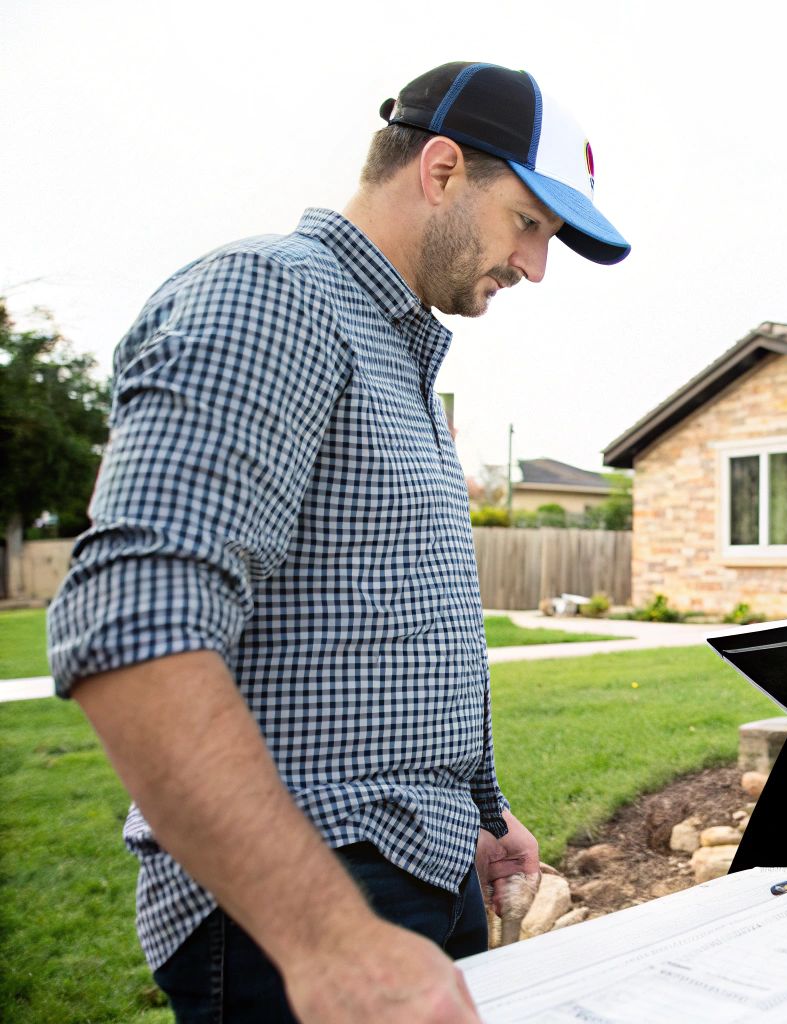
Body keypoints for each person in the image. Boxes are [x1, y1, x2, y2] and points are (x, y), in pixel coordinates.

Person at [45, 62, 630, 1022]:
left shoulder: (393, 357)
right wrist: (323, 935)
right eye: (530, 223)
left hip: (408, 872)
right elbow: (131, 624)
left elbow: (368, 635)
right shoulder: (272, 296)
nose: (536, 266)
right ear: (441, 170)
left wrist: (470, 818)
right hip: (307, 898)